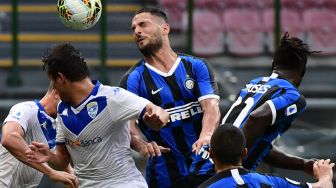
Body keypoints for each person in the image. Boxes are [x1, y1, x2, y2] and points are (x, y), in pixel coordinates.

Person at [25, 43, 169, 188]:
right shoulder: (62, 109)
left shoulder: (111, 98)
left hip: (123, 183)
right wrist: (50, 156)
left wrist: (158, 119)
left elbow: (158, 111)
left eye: (53, 81)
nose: (53, 88)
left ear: (61, 78)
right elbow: (62, 159)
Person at [119, 7, 220, 187]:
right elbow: (128, 127)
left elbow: (211, 107)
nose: (137, 31)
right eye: (133, 28)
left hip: (205, 163)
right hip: (164, 173)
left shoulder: (196, 66)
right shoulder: (132, 80)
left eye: (143, 25)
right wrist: (141, 145)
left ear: (165, 28)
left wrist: (206, 135)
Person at [193, 32, 319, 176]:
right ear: (302, 71)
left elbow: (261, 145)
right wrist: (231, 163)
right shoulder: (291, 95)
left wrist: (302, 164)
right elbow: (257, 118)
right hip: (220, 172)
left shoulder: (254, 83)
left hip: (202, 163)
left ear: (273, 65)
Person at [198, 124, 334, 188]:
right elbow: (324, 187)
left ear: (211, 153)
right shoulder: (273, 183)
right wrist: (325, 175)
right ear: (245, 152)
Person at [0, 85, 75, 187]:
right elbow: (9, 138)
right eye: (71, 99)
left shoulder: (60, 125)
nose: (74, 105)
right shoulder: (27, 109)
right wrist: (51, 172)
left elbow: (68, 170)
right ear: (56, 93)